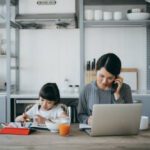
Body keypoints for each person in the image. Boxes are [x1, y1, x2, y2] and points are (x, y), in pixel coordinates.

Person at [78, 53, 133, 125]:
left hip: (119, 131)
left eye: (110, 78)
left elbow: (129, 116)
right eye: (101, 76)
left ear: (116, 77)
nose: (104, 81)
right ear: (96, 71)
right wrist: (87, 120)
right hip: (94, 131)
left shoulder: (125, 89)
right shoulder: (86, 89)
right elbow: (80, 115)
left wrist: (117, 94)